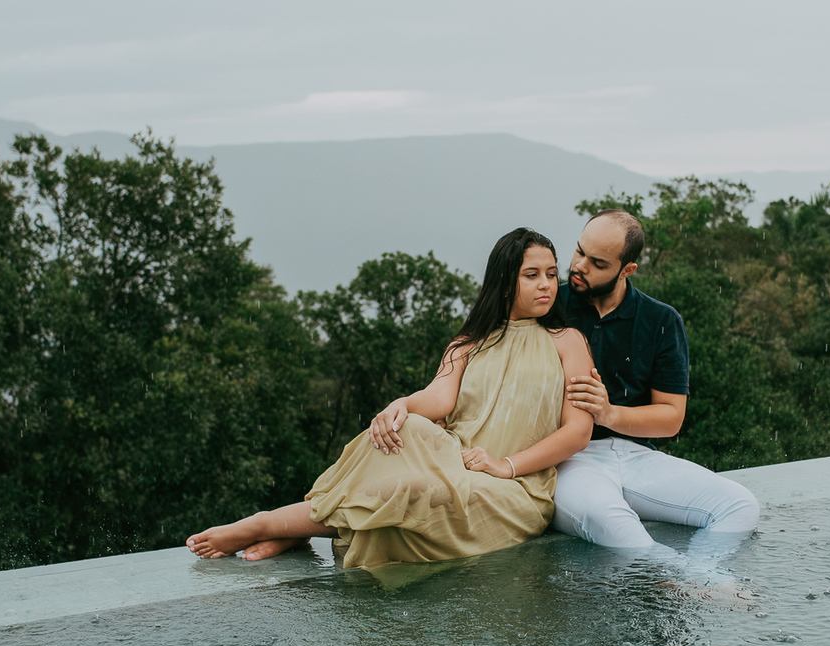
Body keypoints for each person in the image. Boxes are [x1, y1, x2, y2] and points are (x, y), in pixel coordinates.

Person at [186, 229, 594, 570]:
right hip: (455, 458)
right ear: (505, 283)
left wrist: (505, 467)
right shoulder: (468, 344)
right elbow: (438, 398)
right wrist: (401, 404)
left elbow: (578, 431)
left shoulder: (567, 342)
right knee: (405, 426)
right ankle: (287, 526)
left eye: (550, 274)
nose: (546, 285)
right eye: (532, 275)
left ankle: (274, 524)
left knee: (410, 490)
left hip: (513, 486)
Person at [552, 208, 759, 578]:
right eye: (579, 251)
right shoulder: (550, 307)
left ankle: (699, 572)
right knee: (607, 518)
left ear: (626, 269)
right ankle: (686, 579)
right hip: (570, 456)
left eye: (597, 262)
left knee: (741, 505)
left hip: (635, 455)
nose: (579, 266)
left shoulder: (660, 320)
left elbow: (670, 418)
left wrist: (608, 413)